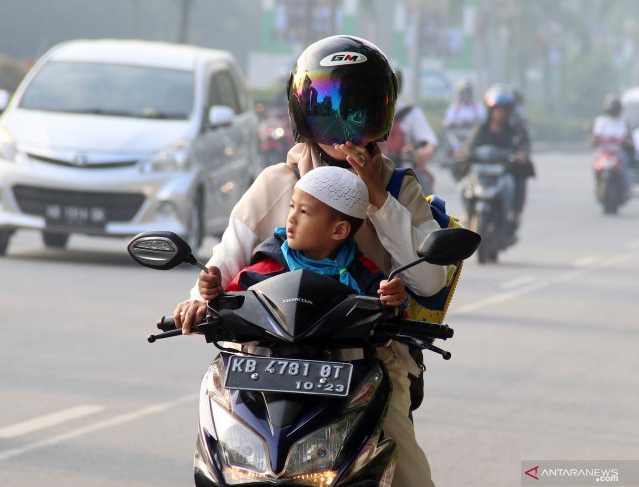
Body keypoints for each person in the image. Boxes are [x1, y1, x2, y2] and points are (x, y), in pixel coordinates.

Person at [174, 35, 448, 487]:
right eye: (328, 109)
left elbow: (430, 278)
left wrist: (379, 200)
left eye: (357, 110)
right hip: (266, 361)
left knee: (411, 476)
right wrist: (196, 301)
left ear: (381, 116)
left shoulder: (400, 190)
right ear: (304, 115)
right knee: (217, 459)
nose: (343, 125)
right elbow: (223, 264)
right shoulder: (275, 183)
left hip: (366, 362)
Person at [200, 166, 406, 310]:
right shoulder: (264, 270)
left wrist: (394, 298)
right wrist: (213, 293)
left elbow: (388, 311)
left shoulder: (365, 277)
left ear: (339, 230)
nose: (291, 219)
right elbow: (232, 304)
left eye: (304, 212)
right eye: (292, 207)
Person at [465, 85, 534, 242]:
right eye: (497, 109)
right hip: (482, 171)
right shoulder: (480, 130)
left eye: (504, 110)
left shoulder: (515, 131)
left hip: (504, 172)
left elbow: (525, 147)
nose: (500, 113)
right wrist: (461, 152)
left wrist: (521, 155)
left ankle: (514, 217)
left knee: (515, 183)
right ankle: (468, 217)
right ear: (491, 110)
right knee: (464, 187)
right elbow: (467, 147)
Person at [380, 67, 439, 194]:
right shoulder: (364, 112)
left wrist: (423, 152)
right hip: (371, 171)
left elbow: (430, 141)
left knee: (426, 186)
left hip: (405, 172)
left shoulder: (411, 113)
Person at [592, 93, 633, 193]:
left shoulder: (624, 122)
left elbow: (629, 137)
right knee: (595, 164)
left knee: (625, 168)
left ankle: (627, 188)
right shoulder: (601, 121)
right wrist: (594, 139)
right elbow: (595, 135)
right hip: (604, 151)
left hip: (618, 152)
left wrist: (628, 142)